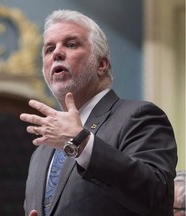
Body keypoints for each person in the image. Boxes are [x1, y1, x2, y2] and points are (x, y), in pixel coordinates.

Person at [20, 10, 177, 216]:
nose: (56, 53)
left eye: (71, 44)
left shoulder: (139, 117)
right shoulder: (42, 152)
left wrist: (81, 143)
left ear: (101, 64)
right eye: (49, 49)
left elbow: (157, 195)